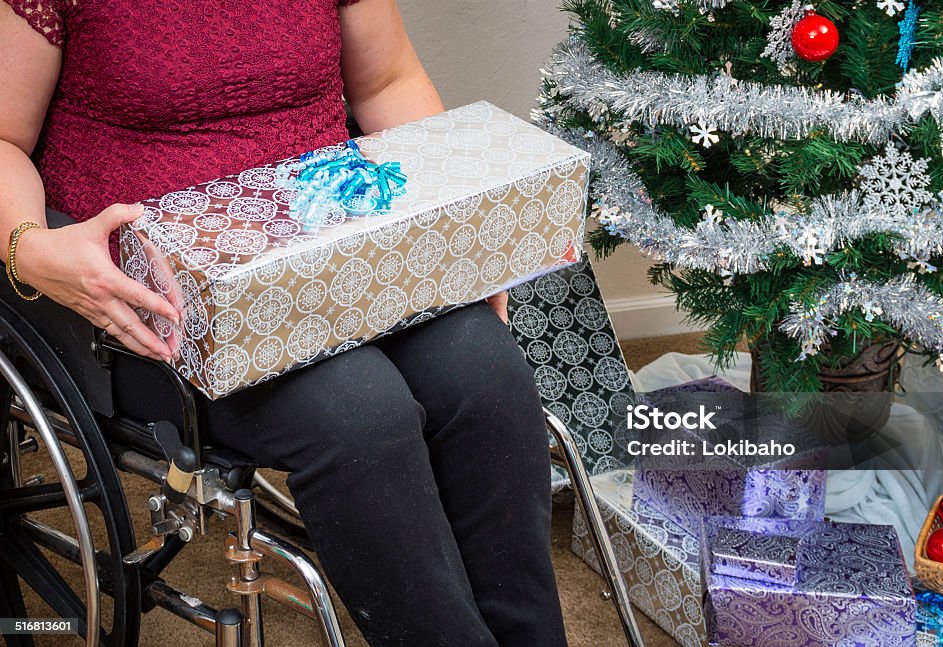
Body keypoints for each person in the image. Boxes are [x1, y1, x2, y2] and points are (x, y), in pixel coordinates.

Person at [0, 1, 568, 645]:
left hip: (339, 249)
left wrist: (454, 238)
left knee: (486, 375)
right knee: (360, 413)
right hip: (158, 308)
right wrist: (31, 246)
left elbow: (388, 84)